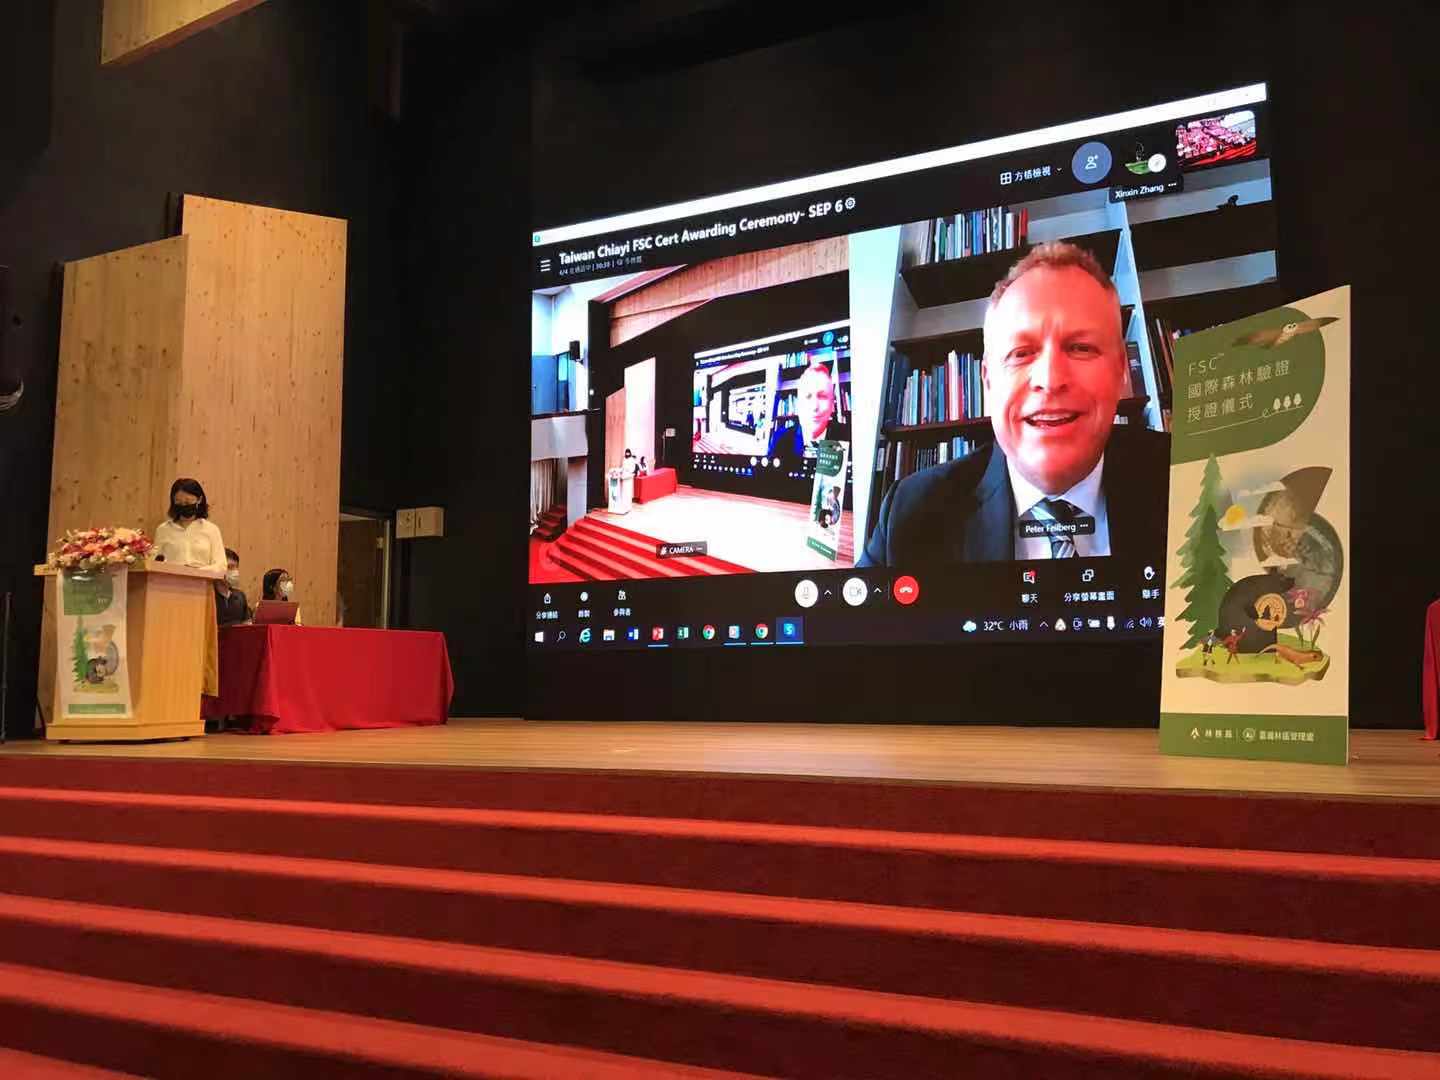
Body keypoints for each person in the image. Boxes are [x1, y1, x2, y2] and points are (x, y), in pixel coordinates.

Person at [859, 242, 1168, 567]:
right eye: (1021, 353)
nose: (1050, 379)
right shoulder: (910, 516)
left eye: (1081, 347)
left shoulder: (1193, 478)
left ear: (1121, 370)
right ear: (988, 381)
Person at [153, 479, 227, 575]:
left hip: (202, 584)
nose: (183, 506)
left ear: (199, 500)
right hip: (170, 583)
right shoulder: (163, 529)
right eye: (178, 502)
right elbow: (154, 563)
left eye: (188, 502)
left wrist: (196, 572)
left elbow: (221, 565)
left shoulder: (211, 529)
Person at [769, 362, 838, 461]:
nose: (815, 406)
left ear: (831, 403)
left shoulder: (848, 436)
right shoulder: (780, 439)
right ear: (799, 404)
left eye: (822, 396)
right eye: (808, 396)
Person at [215, 548, 250, 625]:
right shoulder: (210, 596)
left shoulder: (240, 596)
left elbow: (247, 624)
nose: (235, 571)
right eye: (230, 567)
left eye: (236, 567)